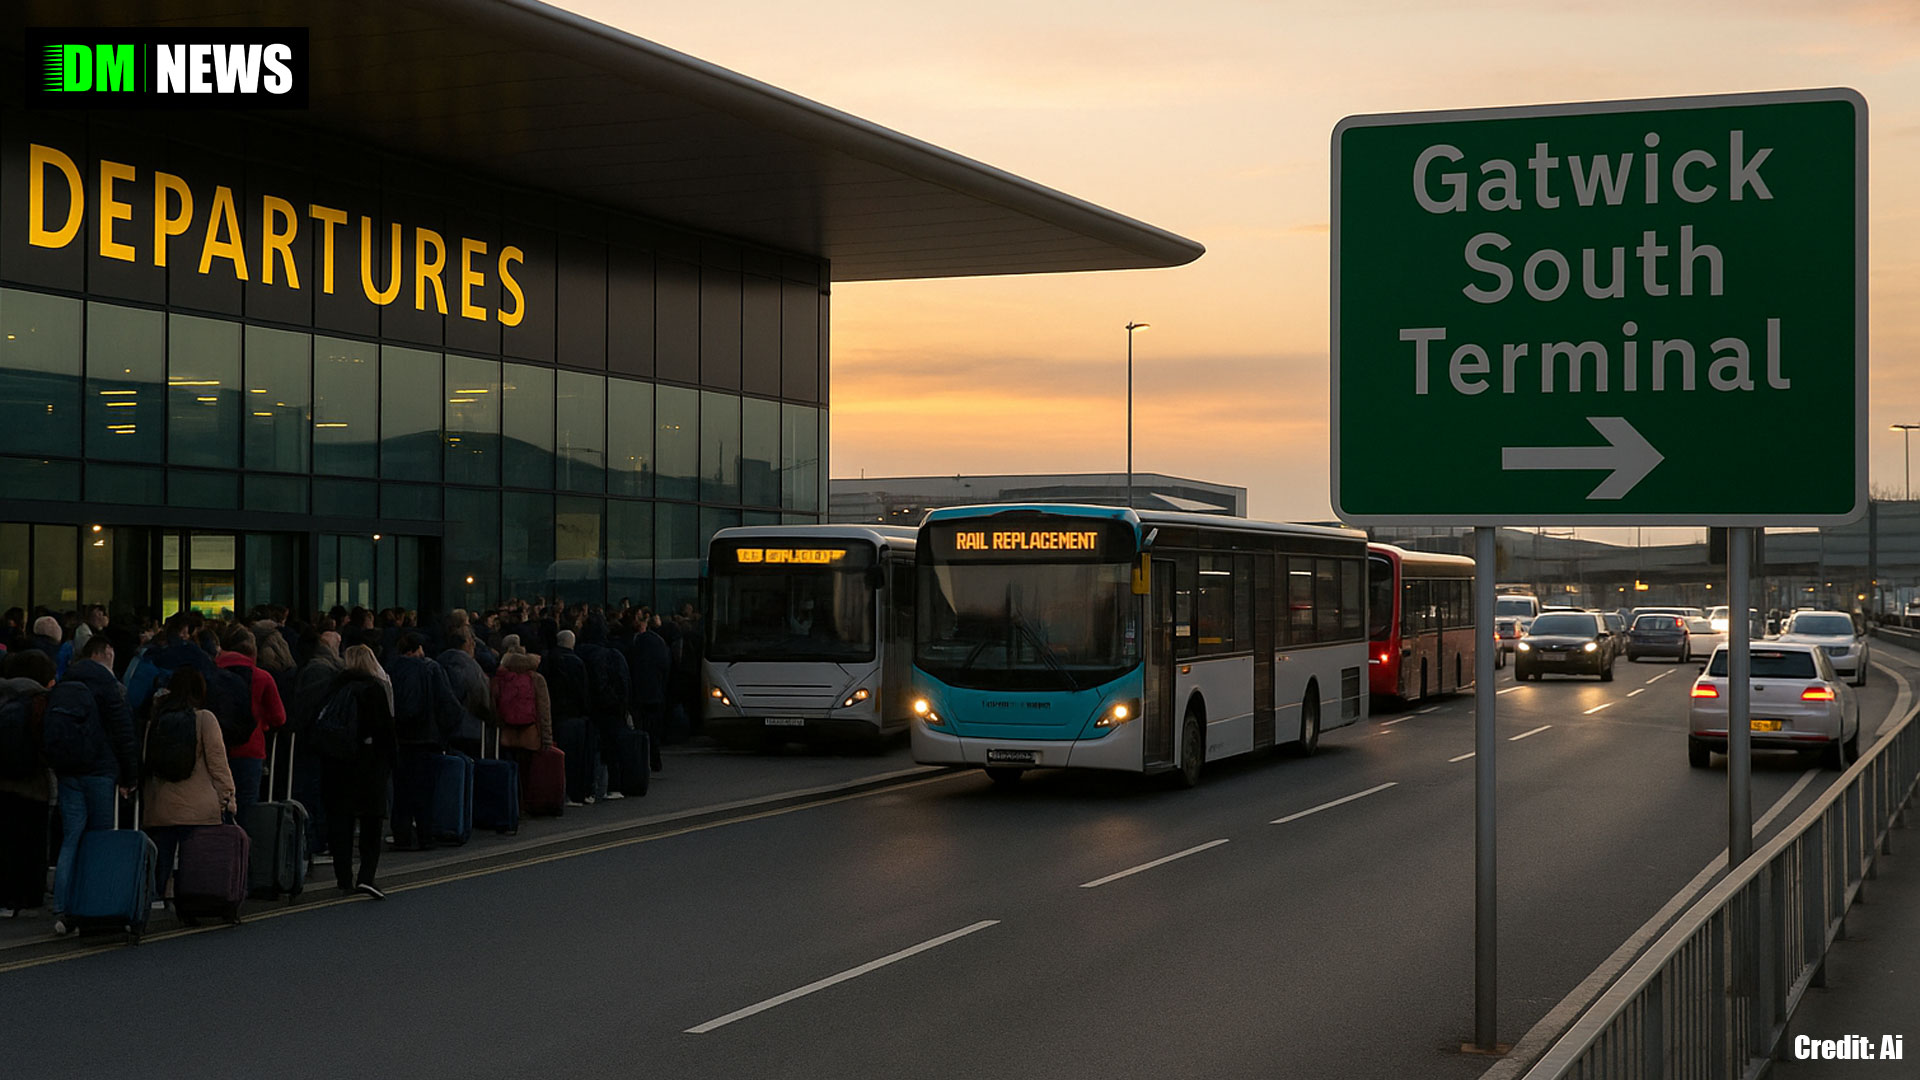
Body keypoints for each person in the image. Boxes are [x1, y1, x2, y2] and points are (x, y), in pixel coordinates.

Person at [47, 635, 137, 937]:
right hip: (99, 770)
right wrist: (130, 776)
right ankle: (96, 905)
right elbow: (124, 732)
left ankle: (63, 909)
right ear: (107, 651)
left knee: (72, 837)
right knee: (100, 839)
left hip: (68, 770)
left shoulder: (65, 681)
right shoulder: (109, 686)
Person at [139, 668, 236, 903]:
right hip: (198, 809)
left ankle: (155, 899)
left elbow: (146, 760)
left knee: (162, 857)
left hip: (161, 806)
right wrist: (228, 798)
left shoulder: (157, 720)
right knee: (194, 862)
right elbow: (218, 764)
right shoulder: (204, 719)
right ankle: (192, 901)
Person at [319, 645, 396, 899]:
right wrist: (392, 764)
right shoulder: (374, 689)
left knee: (341, 823)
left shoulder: (334, 687)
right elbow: (386, 732)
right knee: (371, 823)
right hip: (370, 765)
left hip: (337, 766)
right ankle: (366, 876)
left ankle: (343, 878)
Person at [385, 633, 462, 850]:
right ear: (417, 648)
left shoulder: (390, 669)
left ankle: (402, 837)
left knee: (401, 792)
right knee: (424, 792)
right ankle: (425, 836)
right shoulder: (430, 668)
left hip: (399, 739)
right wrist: (445, 734)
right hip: (425, 738)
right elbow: (448, 704)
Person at [0, 651, 55, 917]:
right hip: (31, 785)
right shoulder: (38, 701)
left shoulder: (3, 695)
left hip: (3, 783)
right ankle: (27, 895)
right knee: (29, 843)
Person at [215, 626, 287, 816]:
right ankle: (243, 844)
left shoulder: (209, 674)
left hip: (214, 747)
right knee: (246, 808)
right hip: (250, 749)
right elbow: (279, 717)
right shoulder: (262, 677)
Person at [491, 638, 554, 804]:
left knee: (509, 770)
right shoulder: (536, 678)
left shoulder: (501, 678)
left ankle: (509, 803)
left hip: (506, 733)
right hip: (530, 732)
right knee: (526, 772)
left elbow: (494, 706)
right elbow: (544, 710)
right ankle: (524, 803)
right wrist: (546, 738)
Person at [436, 625, 491, 760]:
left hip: (452, 731)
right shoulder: (472, 667)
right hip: (473, 729)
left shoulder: (442, 664)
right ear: (467, 643)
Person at [629, 614, 670, 771]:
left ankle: (641, 760)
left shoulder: (636, 643)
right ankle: (654, 759)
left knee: (641, 727)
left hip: (640, 693)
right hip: (656, 692)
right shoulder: (658, 642)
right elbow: (665, 666)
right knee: (653, 729)